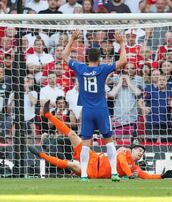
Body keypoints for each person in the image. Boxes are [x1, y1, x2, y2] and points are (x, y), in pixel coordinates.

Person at [30, 100, 172, 180]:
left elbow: (145, 175)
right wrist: (130, 175)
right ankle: (47, 114)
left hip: (93, 171)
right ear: (131, 149)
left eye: (142, 153)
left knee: (72, 164)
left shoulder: (133, 167)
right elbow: (123, 162)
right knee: (73, 135)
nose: (140, 154)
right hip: (93, 156)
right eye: (139, 150)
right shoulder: (123, 153)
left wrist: (161, 176)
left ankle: (41, 155)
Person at [62, 30, 127, 182]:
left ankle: (84, 174)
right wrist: (121, 43)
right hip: (101, 110)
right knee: (109, 141)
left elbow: (64, 56)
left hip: (87, 110)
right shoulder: (102, 69)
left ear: (87, 58)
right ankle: (114, 173)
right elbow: (123, 61)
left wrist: (72, 39)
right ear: (99, 59)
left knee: (85, 144)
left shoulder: (80, 68)